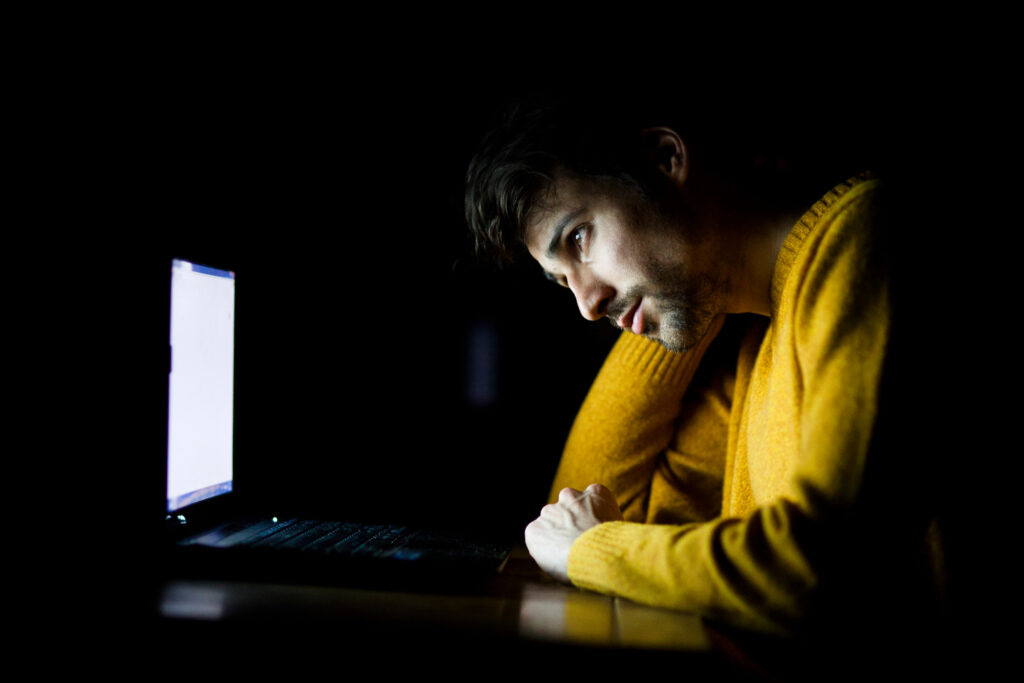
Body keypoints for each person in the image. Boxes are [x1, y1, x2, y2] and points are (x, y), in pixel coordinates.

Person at [464, 92, 949, 643]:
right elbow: (596, 520)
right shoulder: (750, 337)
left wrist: (588, 549)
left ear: (666, 160)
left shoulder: (862, 240)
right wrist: (689, 290)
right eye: (562, 280)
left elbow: (815, 571)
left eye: (580, 238)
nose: (587, 305)